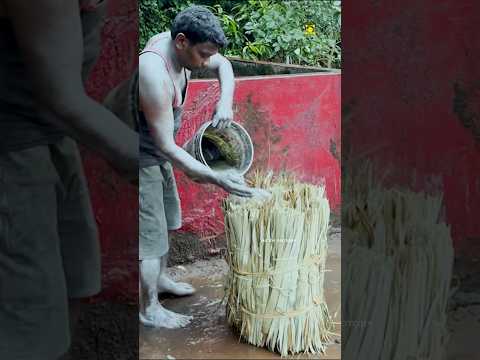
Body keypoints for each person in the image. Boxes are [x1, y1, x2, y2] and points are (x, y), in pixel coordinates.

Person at [0, 0, 138, 359]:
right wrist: (150, 159)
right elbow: (60, 99)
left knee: (74, 282)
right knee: (27, 318)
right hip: (12, 157)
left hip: (52, 142)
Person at [139, 5, 269, 328]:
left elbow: (222, 64)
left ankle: (162, 280)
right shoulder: (152, 73)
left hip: (160, 153)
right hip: (141, 157)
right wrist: (217, 178)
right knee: (149, 239)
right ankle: (148, 307)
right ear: (181, 42)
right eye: (202, 55)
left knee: (168, 220)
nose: (205, 63)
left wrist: (224, 100)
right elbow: (166, 145)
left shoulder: (186, 51)